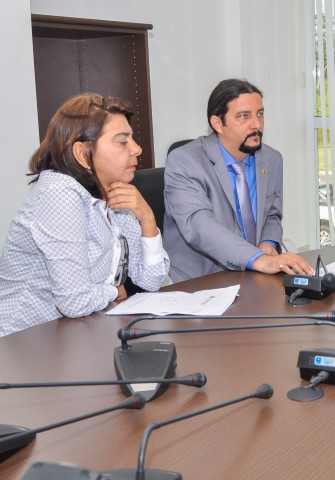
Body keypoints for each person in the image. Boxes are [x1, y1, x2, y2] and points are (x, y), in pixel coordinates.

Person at [0, 93, 170, 337]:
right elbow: (75, 302)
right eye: (122, 142)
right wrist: (114, 290)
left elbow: (150, 280)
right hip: (21, 344)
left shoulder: (112, 192)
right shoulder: (58, 195)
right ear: (82, 153)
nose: (137, 149)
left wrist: (147, 219)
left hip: (75, 333)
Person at [163, 79, 313, 282]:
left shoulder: (271, 158)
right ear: (218, 123)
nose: (257, 125)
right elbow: (199, 226)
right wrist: (257, 259)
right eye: (244, 116)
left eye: (260, 114)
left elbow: (272, 216)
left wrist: (267, 244)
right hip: (199, 282)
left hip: (253, 277)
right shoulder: (185, 161)